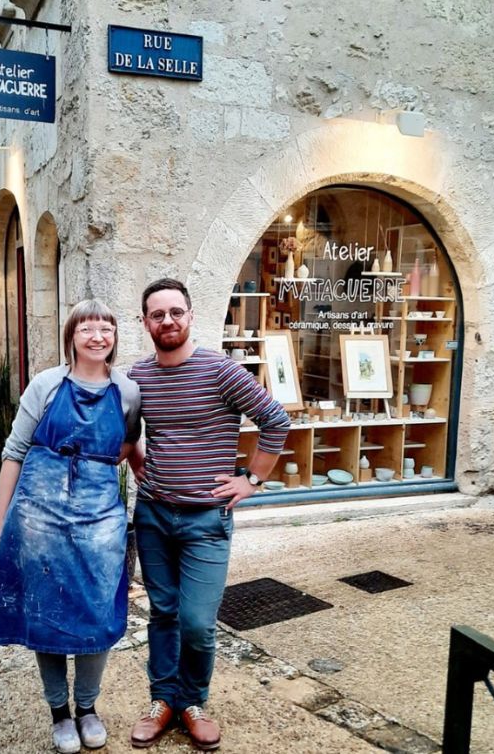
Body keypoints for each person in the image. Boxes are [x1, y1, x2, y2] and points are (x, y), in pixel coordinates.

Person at [127, 278, 289, 751]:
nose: (168, 321)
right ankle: (163, 701)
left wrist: (252, 480)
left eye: (176, 312)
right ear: (146, 323)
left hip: (205, 523)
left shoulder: (222, 371)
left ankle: (192, 701)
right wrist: (142, 468)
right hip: (154, 516)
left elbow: (276, 420)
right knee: (162, 612)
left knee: (197, 622)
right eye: (158, 315)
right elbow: (129, 432)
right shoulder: (139, 376)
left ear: (191, 315)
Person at [0, 299, 142, 754]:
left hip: (100, 518)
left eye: (105, 328)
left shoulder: (127, 392)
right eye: (87, 328)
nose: (97, 336)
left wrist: (93, 472)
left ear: (114, 337)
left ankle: (88, 707)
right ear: (71, 336)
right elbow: (13, 451)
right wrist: (1, 517)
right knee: (44, 611)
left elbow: (127, 446)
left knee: (96, 609)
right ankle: (59, 713)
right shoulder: (46, 385)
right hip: (39, 515)